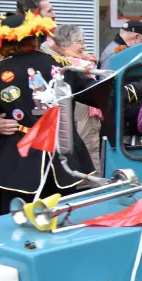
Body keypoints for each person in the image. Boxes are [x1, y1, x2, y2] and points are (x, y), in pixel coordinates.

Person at [0, 12, 99, 216]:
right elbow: (99, 95)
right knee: (63, 218)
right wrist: (137, 89)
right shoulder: (63, 65)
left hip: (20, 164)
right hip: (64, 158)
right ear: (35, 37)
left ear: (2, 42)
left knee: (18, 221)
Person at [51, 24, 103, 174]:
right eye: (79, 42)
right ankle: (88, 182)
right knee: (88, 149)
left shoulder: (79, 65)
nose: (84, 46)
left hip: (85, 125)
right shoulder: (71, 69)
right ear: (64, 44)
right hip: (80, 125)